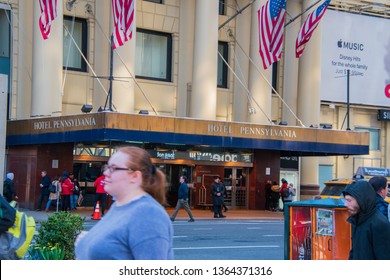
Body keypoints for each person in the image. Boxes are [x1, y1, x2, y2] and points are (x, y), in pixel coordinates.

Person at [75, 146, 173, 260]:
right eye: (107, 167)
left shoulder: (148, 214)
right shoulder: (118, 206)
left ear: (135, 176)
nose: (106, 172)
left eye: (114, 168)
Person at [342, 180, 390, 259]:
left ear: (361, 200)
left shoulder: (379, 224)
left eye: (349, 200)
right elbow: (354, 252)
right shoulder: (357, 220)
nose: (345, 204)